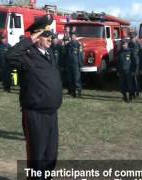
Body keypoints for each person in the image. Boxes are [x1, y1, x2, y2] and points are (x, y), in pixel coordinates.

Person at [5, 14, 62, 179]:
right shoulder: (26, 55)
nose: (50, 38)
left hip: (52, 113)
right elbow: (9, 57)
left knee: (51, 154)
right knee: (37, 156)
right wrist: (32, 37)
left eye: (51, 34)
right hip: (35, 114)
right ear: (37, 37)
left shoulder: (49, 54)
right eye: (46, 35)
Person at [65, 32, 84, 97]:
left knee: (77, 78)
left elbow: (80, 55)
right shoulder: (68, 45)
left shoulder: (78, 45)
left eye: (73, 36)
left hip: (76, 64)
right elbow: (66, 55)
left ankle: (78, 91)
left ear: (76, 37)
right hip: (69, 63)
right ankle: (71, 91)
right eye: (71, 36)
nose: (72, 37)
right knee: (70, 78)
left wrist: (80, 64)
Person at [128, 31, 142, 98]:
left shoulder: (138, 44)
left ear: (135, 37)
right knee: (131, 79)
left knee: (136, 79)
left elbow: (141, 54)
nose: (131, 38)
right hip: (130, 64)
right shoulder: (129, 44)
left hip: (137, 64)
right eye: (131, 37)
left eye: (133, 37)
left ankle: (137, 92)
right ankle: (132, 92)